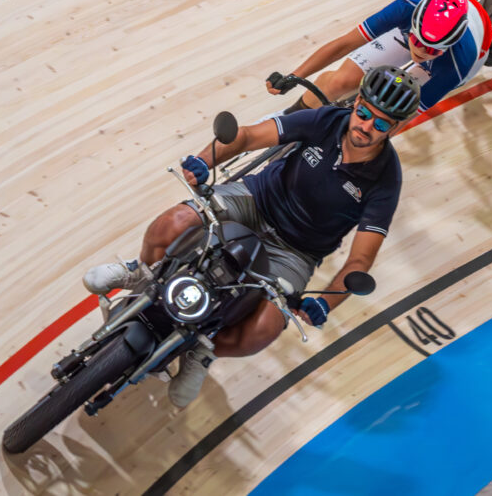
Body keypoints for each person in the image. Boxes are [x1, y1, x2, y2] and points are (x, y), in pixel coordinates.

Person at [83, 66, 420, 407]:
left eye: (380, 124)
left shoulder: (386, 181)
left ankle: (201, 350)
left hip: (295, 252)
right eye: (364, 113)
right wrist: (203, 161)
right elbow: (245, 137)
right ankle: (141, 272)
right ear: (357, 101)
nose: (365, 126)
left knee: (265, 329)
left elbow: (360, 261)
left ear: (398, 127)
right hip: (254, 201)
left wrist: (324, 303)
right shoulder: (327, 120)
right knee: (174, 222)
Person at [269, 0, 491, 123]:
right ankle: (291, 115)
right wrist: (293, 76)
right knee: (340, 81)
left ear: (447, 46)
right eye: (417, 40)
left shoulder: (458, 62)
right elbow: (343, 44)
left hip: (468, 54)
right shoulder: (405, 8)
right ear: (412, 25)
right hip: (432, 37)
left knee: (386, 113)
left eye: (432, 49)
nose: (422, 51)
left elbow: (401, 121)